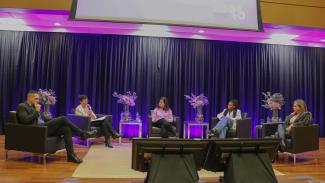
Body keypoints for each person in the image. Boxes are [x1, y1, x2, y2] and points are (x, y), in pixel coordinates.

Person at [16, 90, 96, 164]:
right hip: (37, 129)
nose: (38, 100)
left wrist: (54, 120)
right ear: (29, 97)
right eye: (36, 98)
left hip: (44, 127)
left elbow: (43, 118)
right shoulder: (22, 106)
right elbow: (25, 120)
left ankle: (71, 156)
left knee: (66, 129)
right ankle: (82, 133)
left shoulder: (35, 106)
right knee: (63, 118)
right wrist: (36, 112)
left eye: (38, 99)